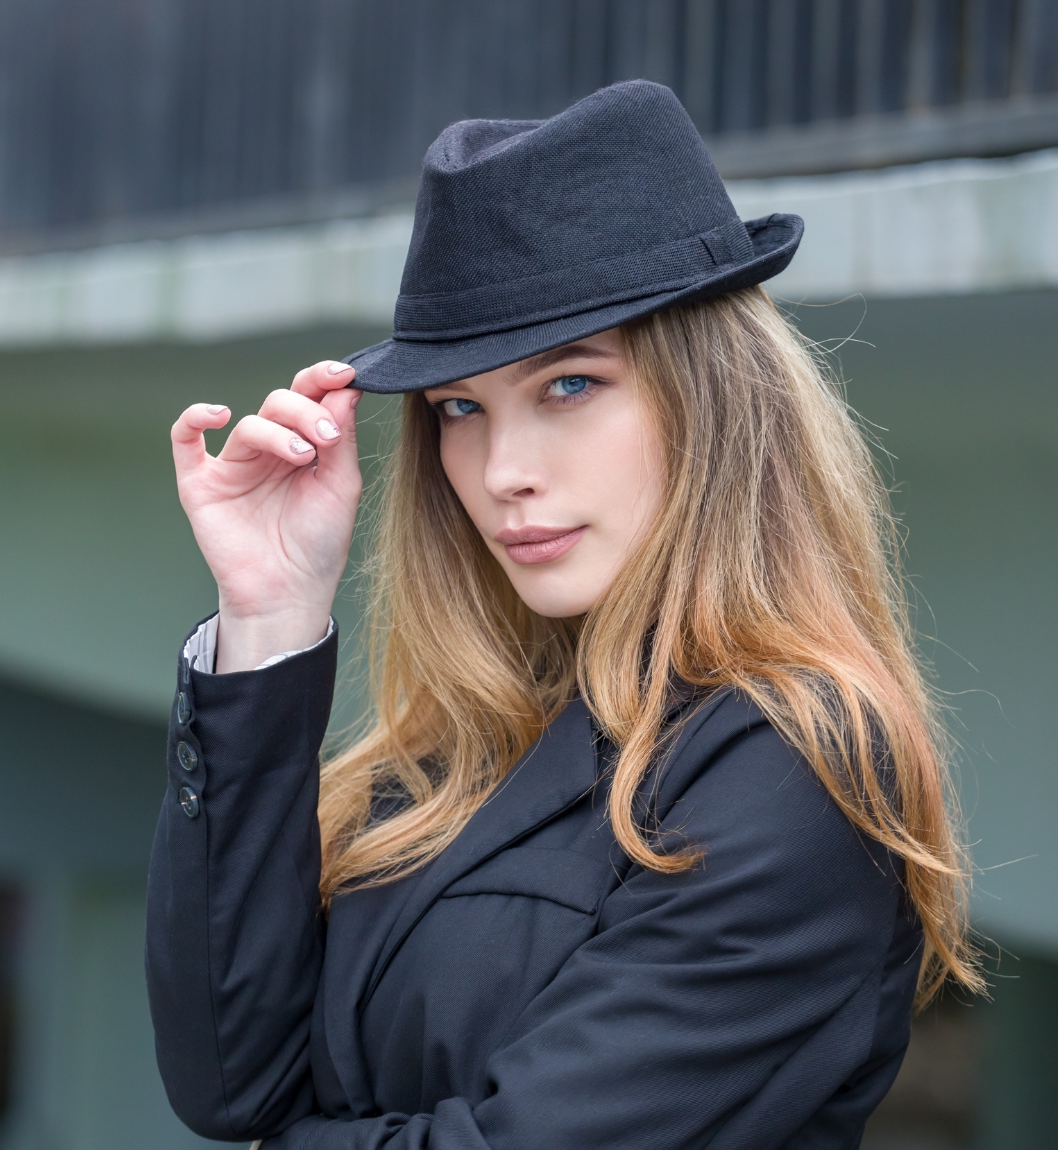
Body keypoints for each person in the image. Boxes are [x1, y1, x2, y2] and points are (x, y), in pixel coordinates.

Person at [146, 82, 980, 1150]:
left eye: (571, 386)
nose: (503, 471)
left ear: (713, 398)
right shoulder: (469, 739)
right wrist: (269, 618)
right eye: (461, 407)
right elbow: (229, 1083)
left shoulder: (797, 763)